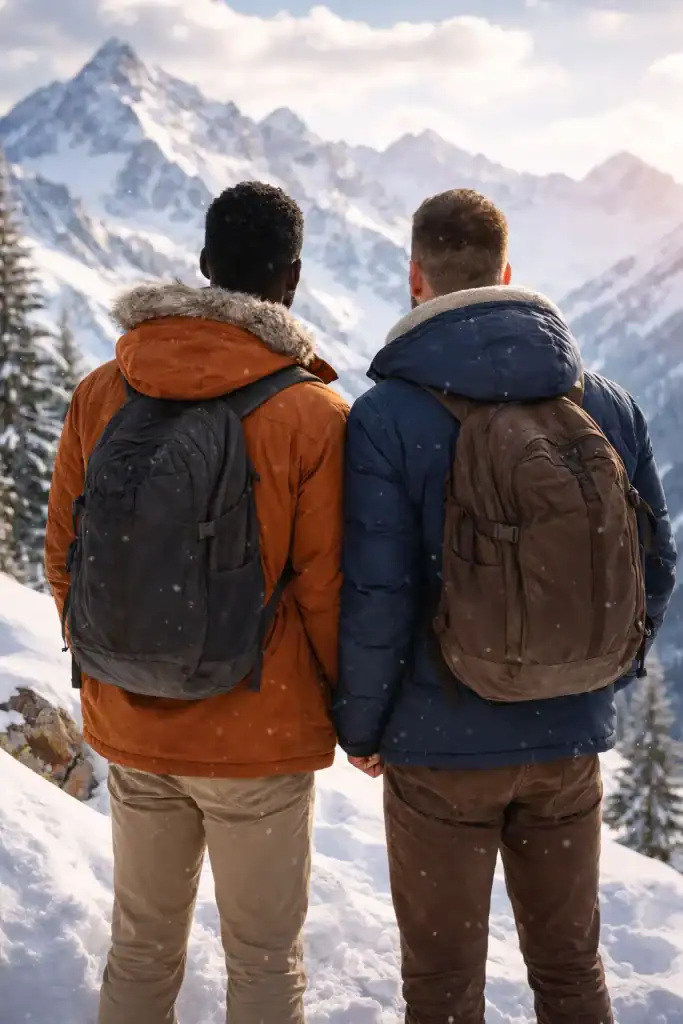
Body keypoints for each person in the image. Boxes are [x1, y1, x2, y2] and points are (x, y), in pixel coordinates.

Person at [334, 188, 676, 1024]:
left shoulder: (386, 416)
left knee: (444, 986)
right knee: (568, 969)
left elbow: (379, 594)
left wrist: (363, 726)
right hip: (566, 740)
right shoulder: (604, 404)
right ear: (506, 273)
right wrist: (597, 679)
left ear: (415, 279)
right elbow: (654, 565)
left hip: (438, 745)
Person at [46, 181, 348, 1024]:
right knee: (261, 959)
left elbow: (63, 556)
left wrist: (115, 663)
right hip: (260, 729)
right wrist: (348, 712)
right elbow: (326, 588)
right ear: (290, 280)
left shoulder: (106, 390)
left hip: (133, 725)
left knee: (141, 946)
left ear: (205, 267)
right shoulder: (312, 413)